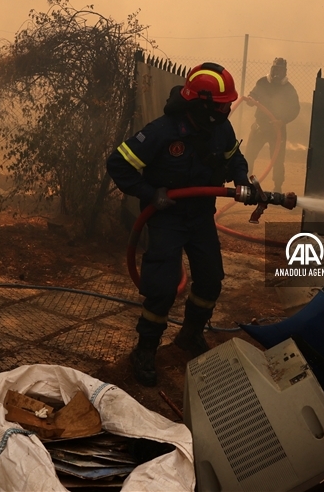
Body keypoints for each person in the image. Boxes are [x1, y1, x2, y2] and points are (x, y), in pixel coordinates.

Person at [107, 63, 253, 386]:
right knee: (160, 288)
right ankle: (145, 350)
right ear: (201, 103)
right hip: (167, 218)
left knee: (210, 279)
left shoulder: (220, 129)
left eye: (228, 104)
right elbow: (118, 163)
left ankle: (190, 335)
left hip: (201, 216)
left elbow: (234, 158)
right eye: (221, 105)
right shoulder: (162, 131)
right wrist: (150, 193)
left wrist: (243, 179)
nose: (227, 109)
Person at [243, 57, 300, 192]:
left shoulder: (289, 89)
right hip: (259, 127)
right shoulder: (262, 82)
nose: (276, 73)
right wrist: (251, 100)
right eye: (275, 69)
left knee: (278, 161)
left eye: (280, 70)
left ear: (285, 72)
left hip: (277, 130)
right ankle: (245, 184)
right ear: (271, 68)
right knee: (249, 156)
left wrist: (282, 121)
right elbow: (253, 95)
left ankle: (277, 187)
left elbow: (295, 109)